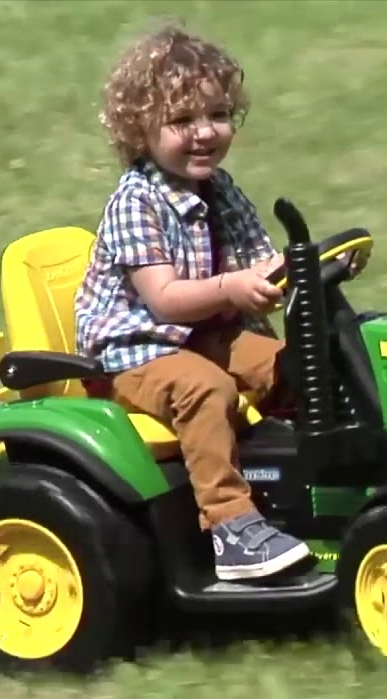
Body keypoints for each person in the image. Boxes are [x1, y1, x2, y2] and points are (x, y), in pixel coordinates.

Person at [74, 22, 312, 581]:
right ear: (141, 131)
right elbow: (164, 300)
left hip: (205, 331)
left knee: (293, 363)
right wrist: (232, 289)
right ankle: (231, 525)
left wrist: (309, 269)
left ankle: (309, 476)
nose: (204, 133)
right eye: (182, 121)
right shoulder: (136, 202)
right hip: (136, 350)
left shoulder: (221, 188)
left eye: (218, 115)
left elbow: (258, 262)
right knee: (207, 388)